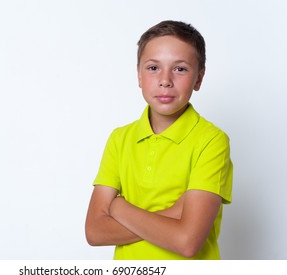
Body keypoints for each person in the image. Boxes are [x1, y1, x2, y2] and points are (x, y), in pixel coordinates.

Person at [85, 20, 233, 260]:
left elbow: (187, 242)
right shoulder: (120, 139)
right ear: (139, 76)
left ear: (199, 78)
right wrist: (173, 214)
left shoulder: (212, 140)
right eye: (153, 68)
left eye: (180, 69)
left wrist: (118, 207)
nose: (165, 80)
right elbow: (94, 231)